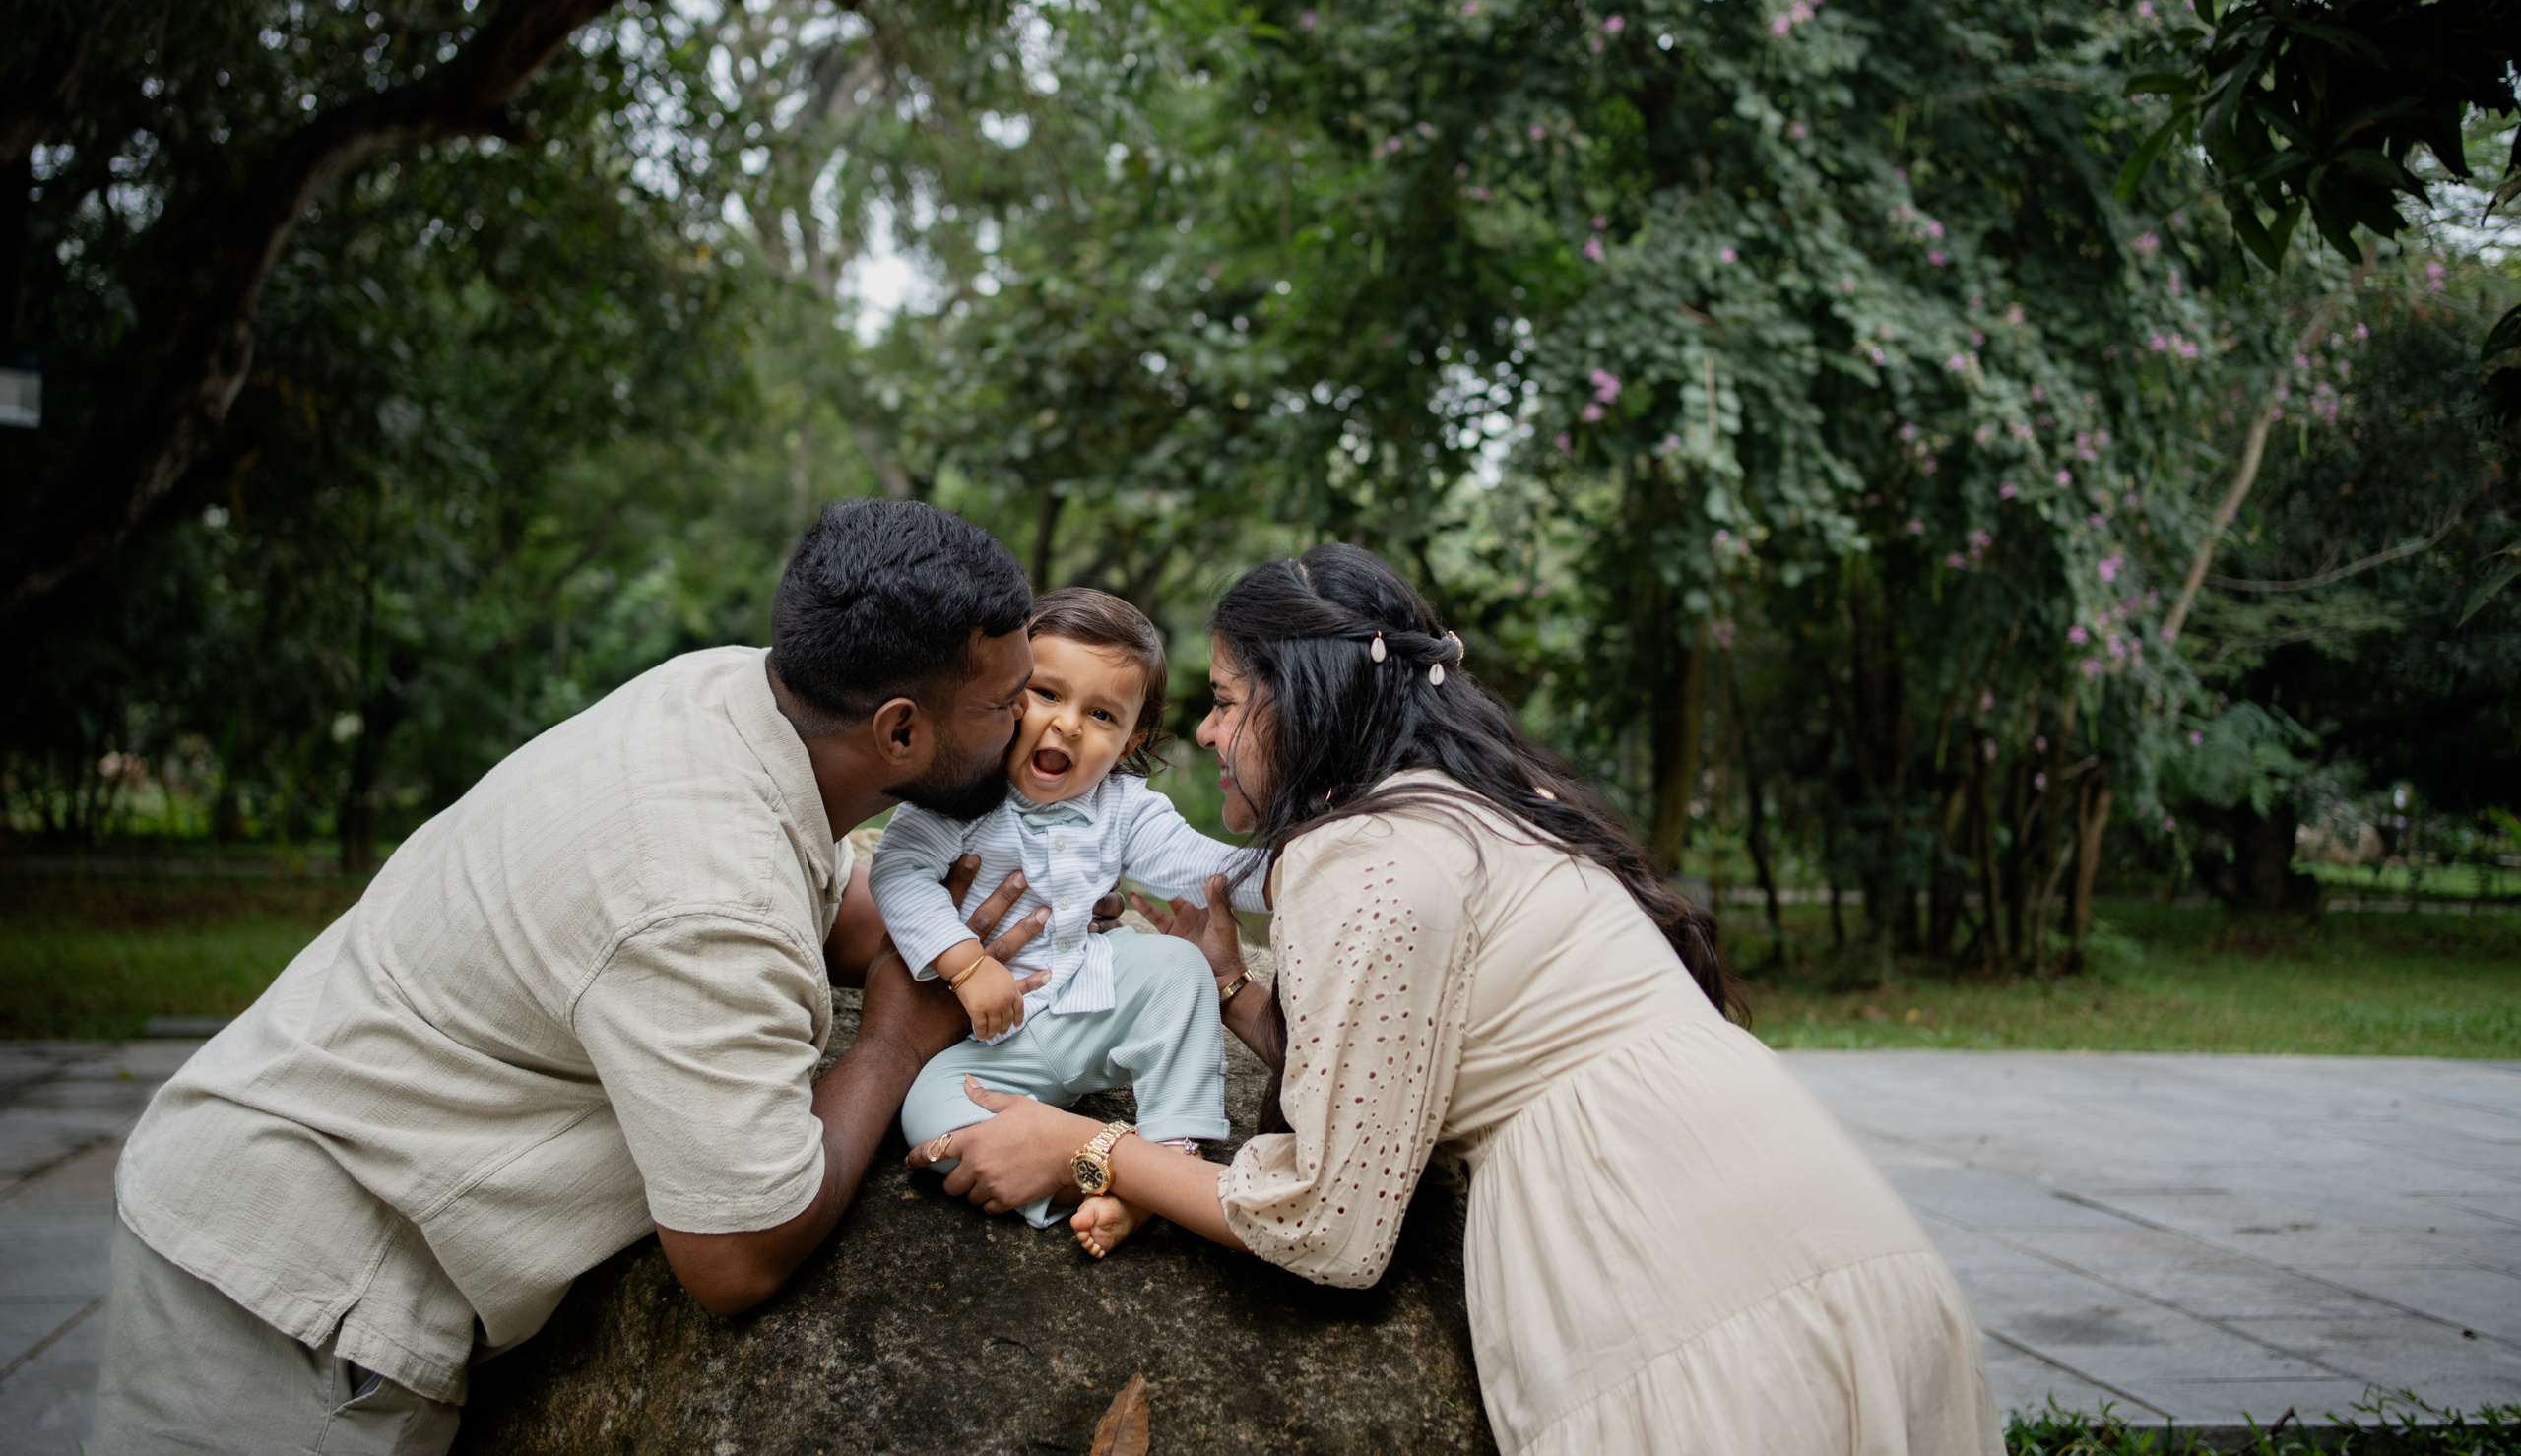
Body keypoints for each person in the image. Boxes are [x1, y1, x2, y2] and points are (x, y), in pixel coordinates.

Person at [912, 543, 2006, 1456]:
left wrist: (1085, 1145)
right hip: (1836, 1246)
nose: (1203, 731)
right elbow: (1412, 1060)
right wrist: (1234, 983)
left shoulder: (1368, 854)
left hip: (1676, 1281)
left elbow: (1332, 1227)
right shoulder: (1483, 800)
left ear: (1305, 703)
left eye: (1228, 699)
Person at [92, 499, 1050, 1456]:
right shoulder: (704, 886)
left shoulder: (726, 692)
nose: (1027, 719)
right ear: (896, 731)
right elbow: (738, 1249)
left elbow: (816, 883)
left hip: (257, 1167)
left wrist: (942, 930)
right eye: (1004, 703)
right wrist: (892, 1034)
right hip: (290, 1295)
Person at [872, 587, 1266, 1253]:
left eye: (1103, 713)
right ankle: (1102, 1183)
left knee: (1175, 963)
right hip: (987, 1048)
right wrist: (964, 964)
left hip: (1088, 1008)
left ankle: (1173, 1158)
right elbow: (898, 871)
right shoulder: (961, 791)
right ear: (1005, 693)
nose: (1069, 725)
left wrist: (1304, 868)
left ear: (1131, 737)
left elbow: (1205, 865)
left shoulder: (1123, 807)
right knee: (928, 1123)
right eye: (1047, 694)